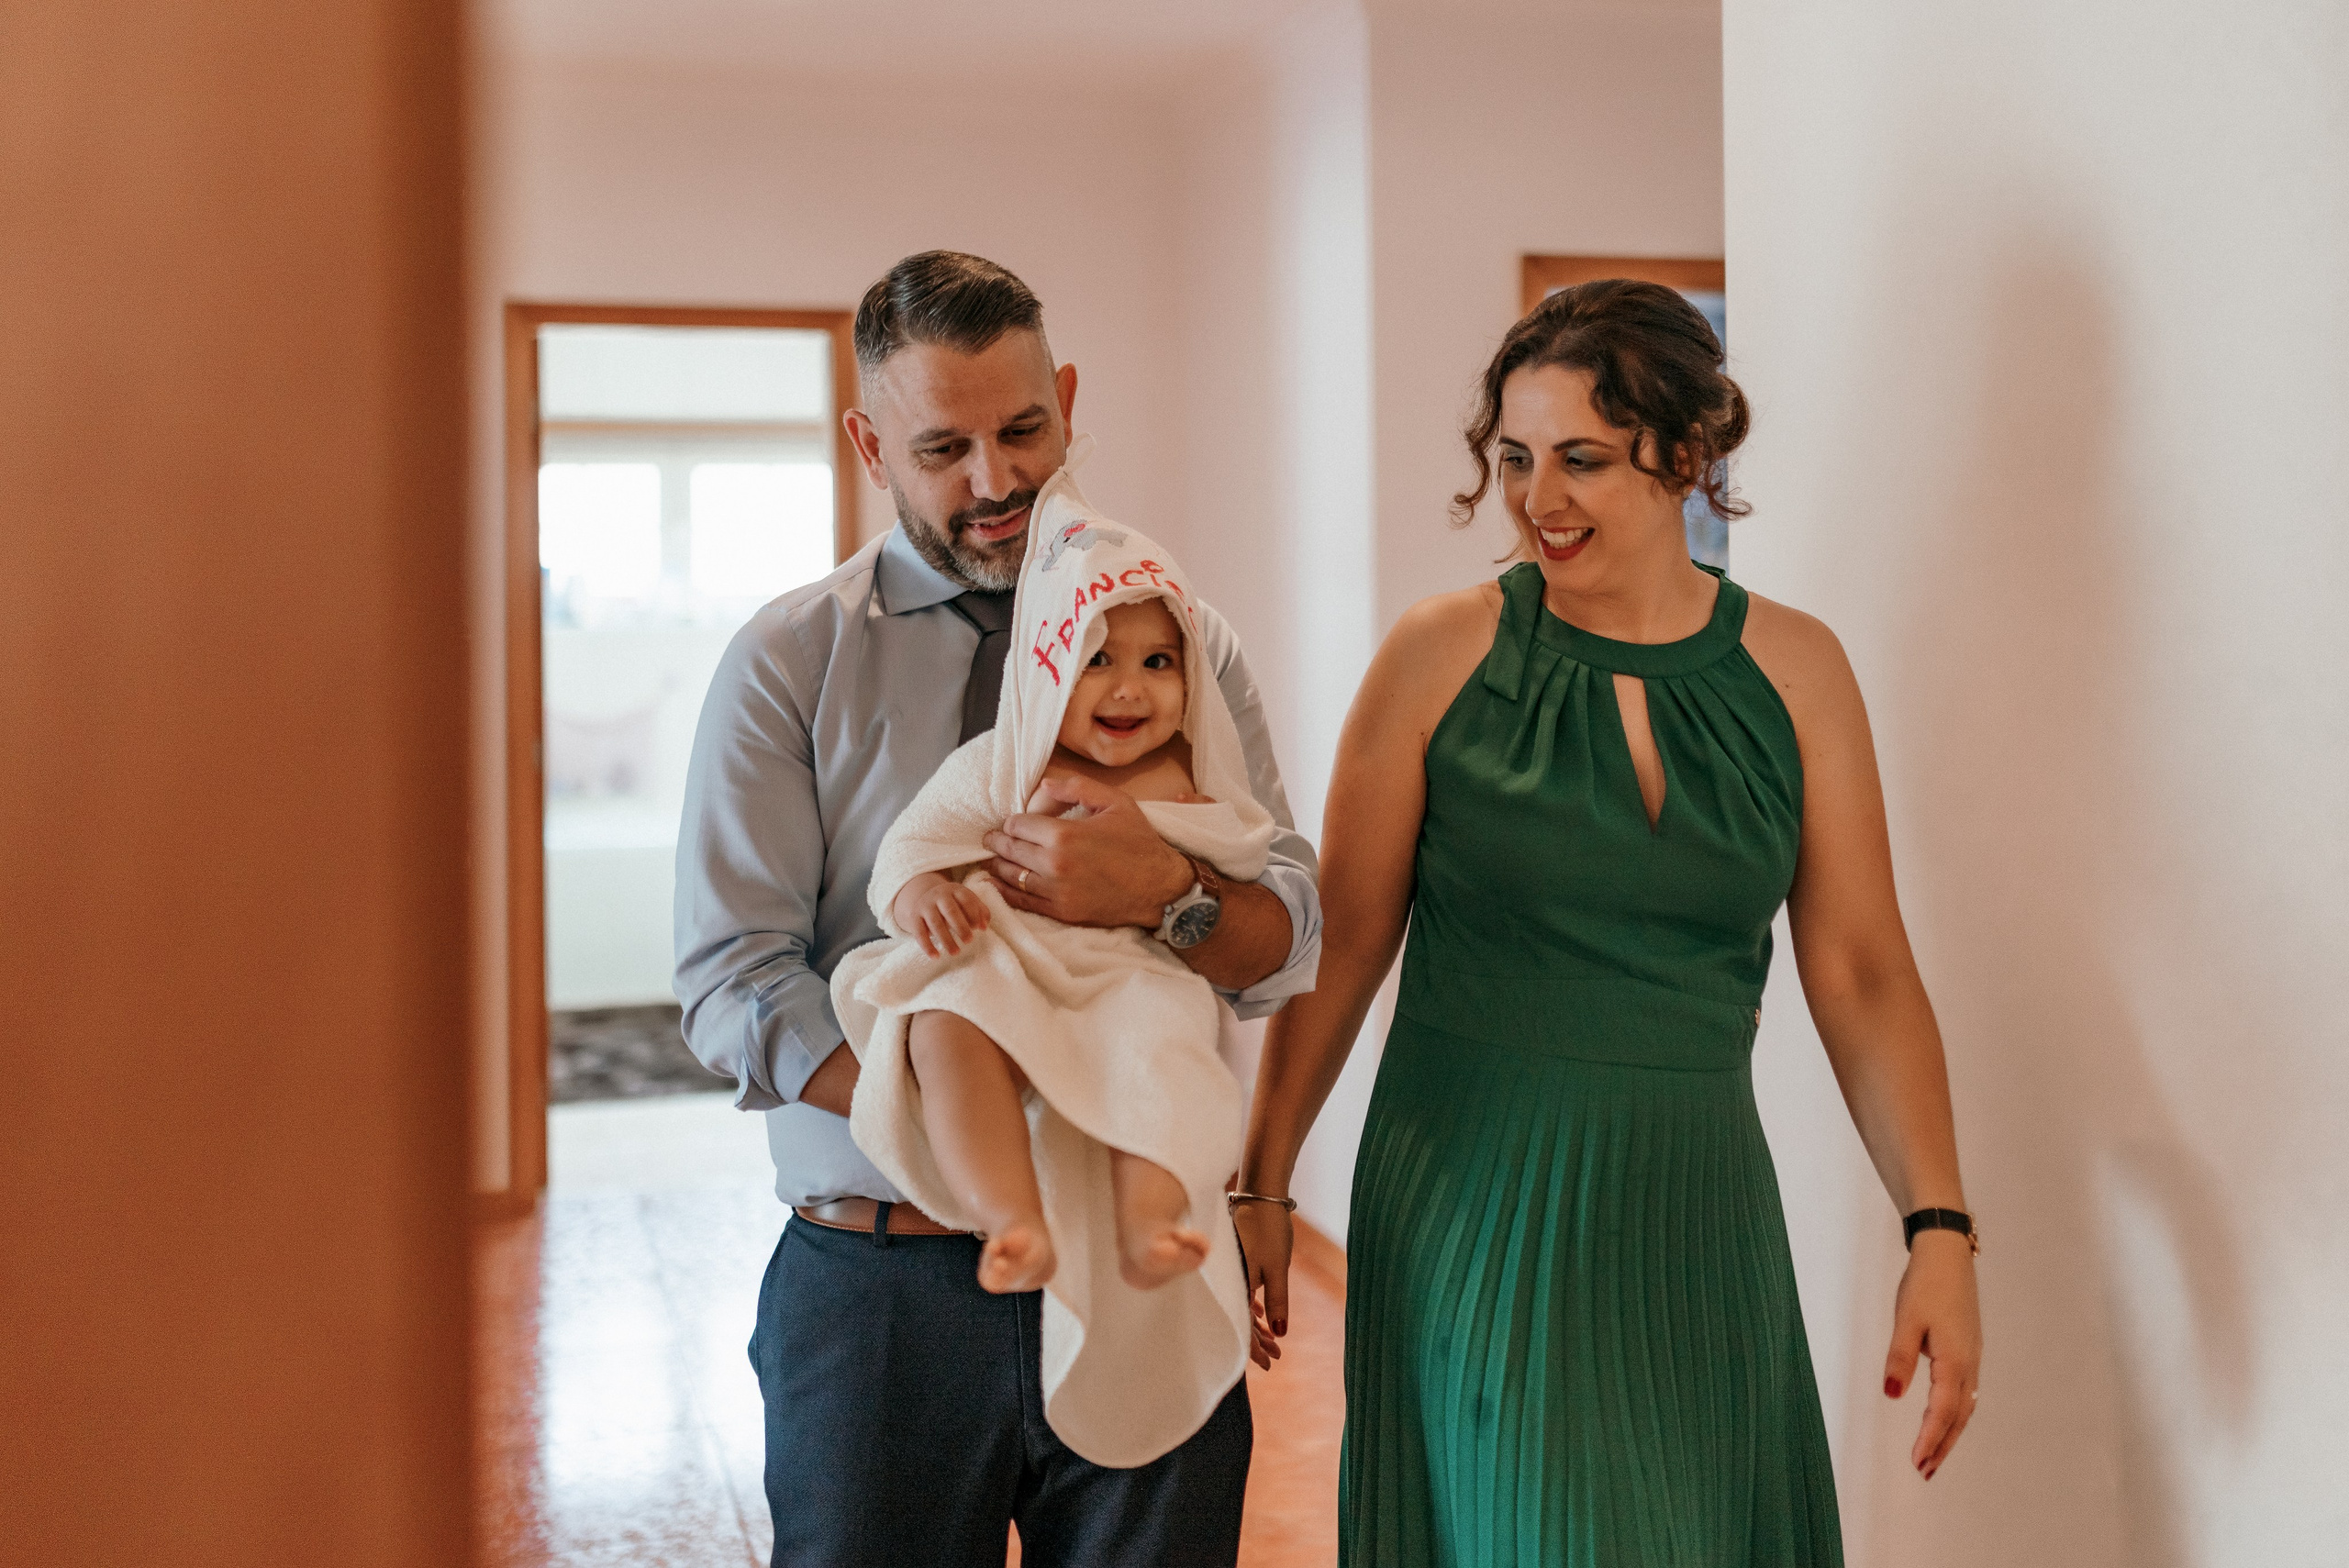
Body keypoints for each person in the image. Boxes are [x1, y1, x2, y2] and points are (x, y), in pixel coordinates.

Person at [1230, 279, 1982, 1565]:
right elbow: (1345, 937)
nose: (1539, 499)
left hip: (1698, 1210)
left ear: (1688, 456)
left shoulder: (1798, 671)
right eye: (1515, 459)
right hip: (1479, 1198)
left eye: (1582, 458)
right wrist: (1263, 1171)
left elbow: (1860, 969)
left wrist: (1940, 1228)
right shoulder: (1440, 654)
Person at [674, 250, 1321, 1568]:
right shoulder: (792, 660)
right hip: (885, 1291)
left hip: (1146, 1264)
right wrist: (954, 1115)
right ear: (869, 444)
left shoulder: (1182, 647)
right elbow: (734, 982)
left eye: (1024, 429)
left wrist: (1172, 898)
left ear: (1069, 401)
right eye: (943, 446)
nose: (996, 480)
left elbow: (1286, 938)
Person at [829, 492, 1279, 1470]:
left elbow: (1251, 860)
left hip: (1126, 969)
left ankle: (1149, 1217)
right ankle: (1009, 1213)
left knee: (1161, 1045)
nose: (1128, 689)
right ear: (1041, 677)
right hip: (1007, 958)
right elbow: (908, 848)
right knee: (943, 1019)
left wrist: (1175, 869)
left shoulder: (1195, 776)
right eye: (1093, 662)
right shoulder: (1004, 766)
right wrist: (918, 902)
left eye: (1158, 662)